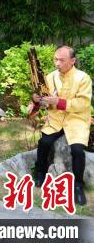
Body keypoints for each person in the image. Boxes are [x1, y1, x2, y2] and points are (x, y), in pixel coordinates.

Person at [33, 46, 92, 206]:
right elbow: (45, 103)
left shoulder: (83, 78)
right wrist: (38, 99)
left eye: (61, 60)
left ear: (72, 61)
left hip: (76, 119)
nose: (57, 63)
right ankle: (40, 172)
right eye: (55, 59)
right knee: (44, 142)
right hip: (56, 118)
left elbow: (83, 103)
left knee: (77, 150)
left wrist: (58, 101)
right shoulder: (50, 77)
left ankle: (78, 185)